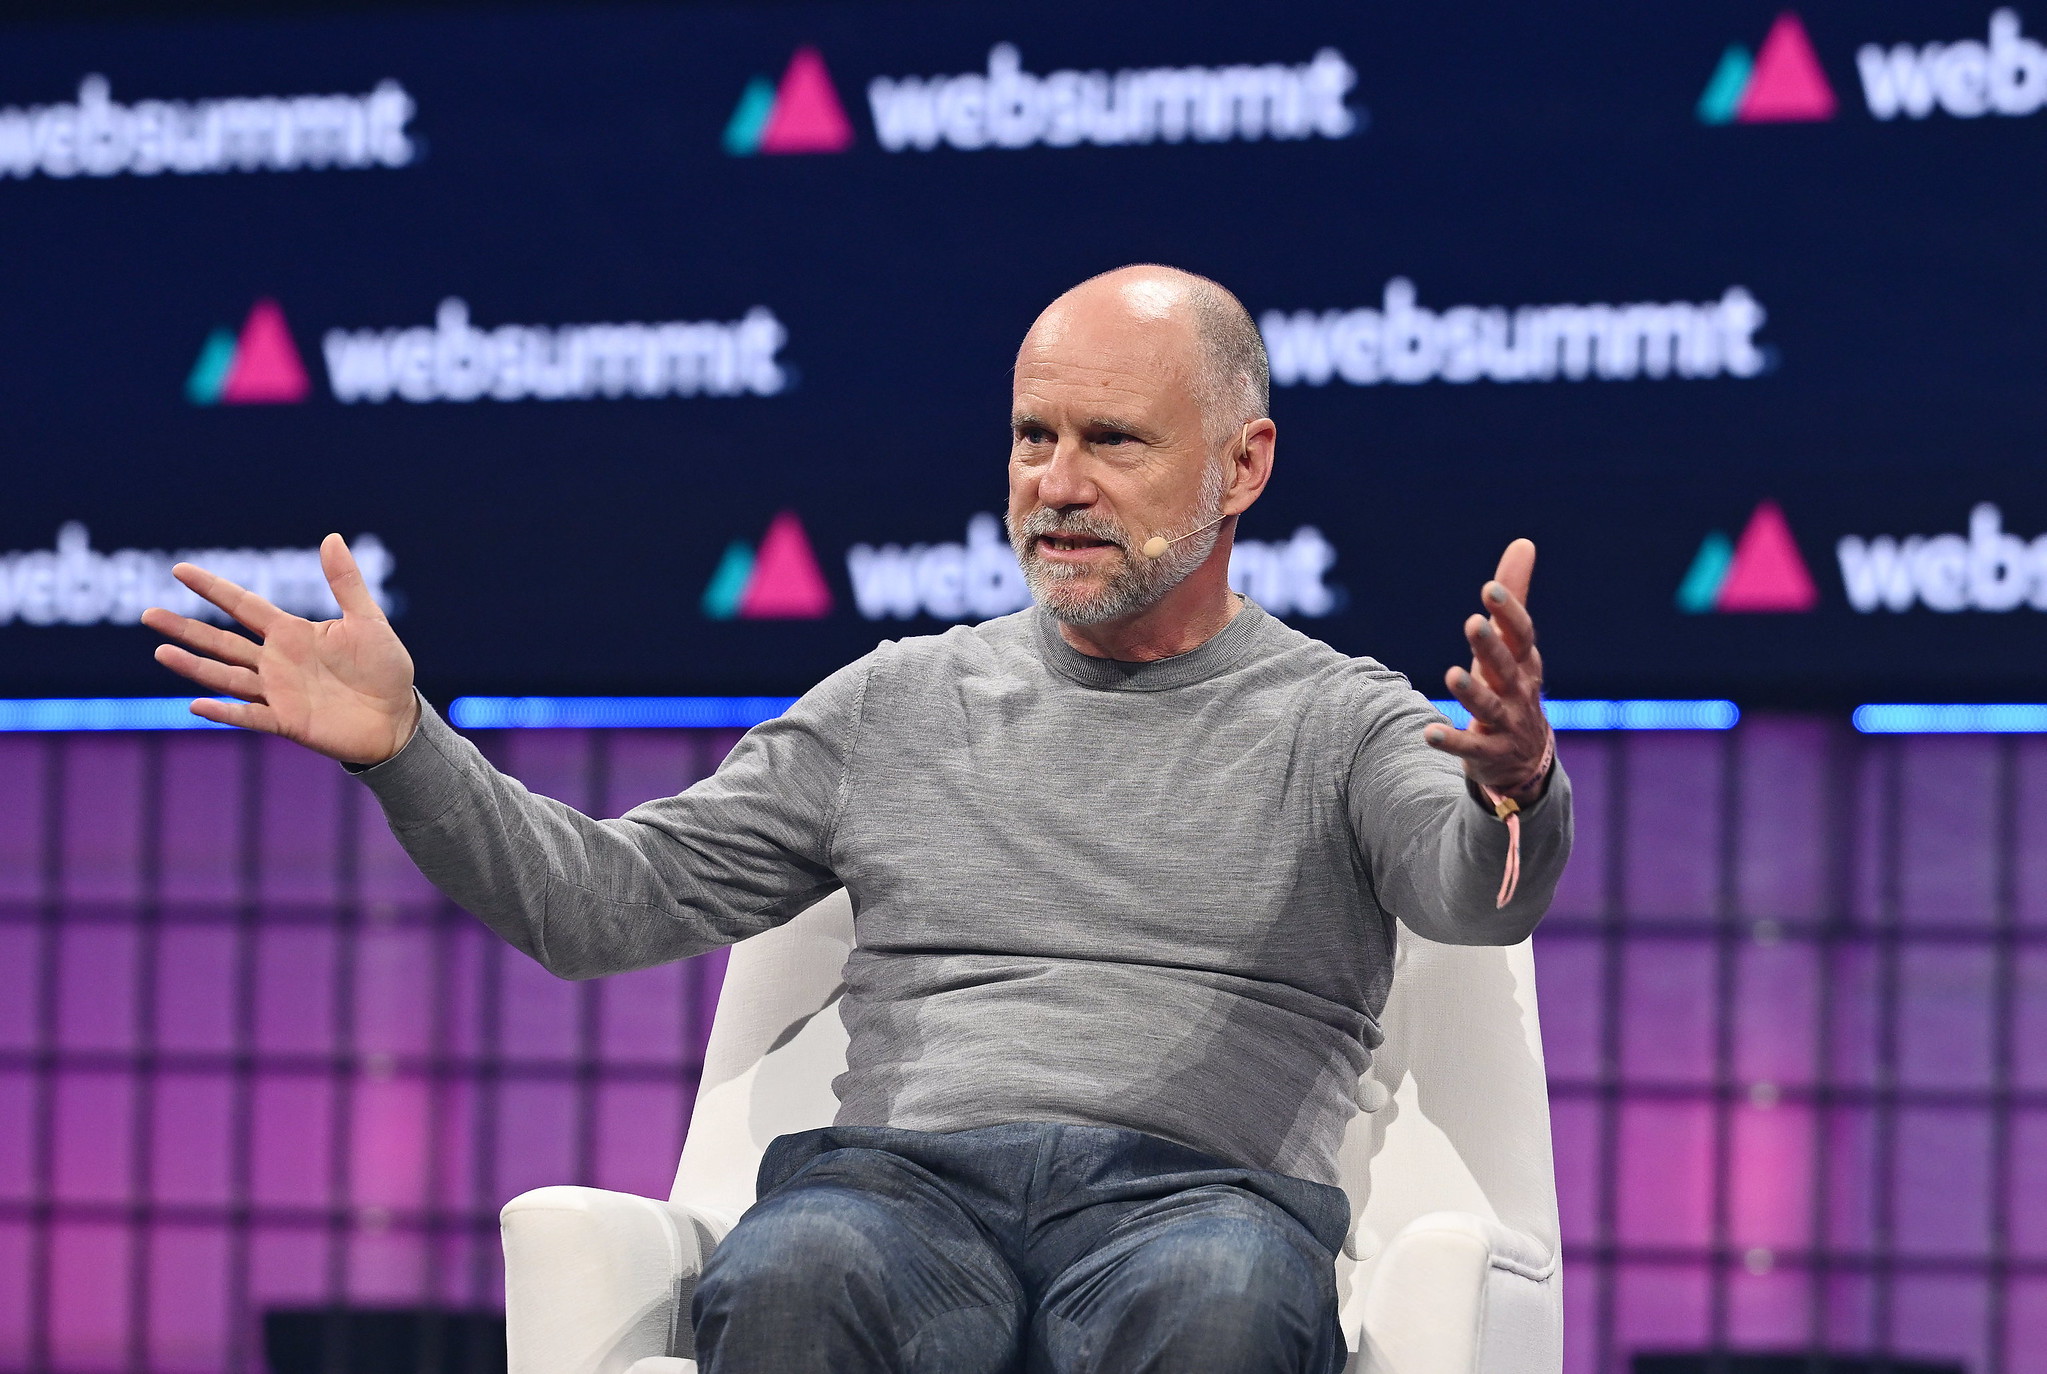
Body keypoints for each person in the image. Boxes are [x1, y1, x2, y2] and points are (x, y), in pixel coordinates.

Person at [143, 264, 1570, 1374]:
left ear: (1242, 467)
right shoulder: (895, 701)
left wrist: (1512, 785)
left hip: (1196, 1202)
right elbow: (600, 903)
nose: (1054, 483)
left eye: (1112, 442)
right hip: (900, 1194)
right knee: (788, 1272)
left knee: (1223, 1302)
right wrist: (407, 746)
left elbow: (1476, 890)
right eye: (1032, 436)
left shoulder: (1340, 715)